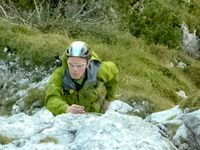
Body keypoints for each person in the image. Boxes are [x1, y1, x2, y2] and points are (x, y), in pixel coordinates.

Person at [45, 41, 119, 115]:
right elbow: (51, 99)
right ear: (67, 61)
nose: (75, 70)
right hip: (69, 118)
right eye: (71, 64)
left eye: (79, 66)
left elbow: (114, 71)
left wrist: (109, 99)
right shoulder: (59, 75)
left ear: (88, 63)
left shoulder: (99, 70)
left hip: (95, 116)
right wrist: (66, 109)